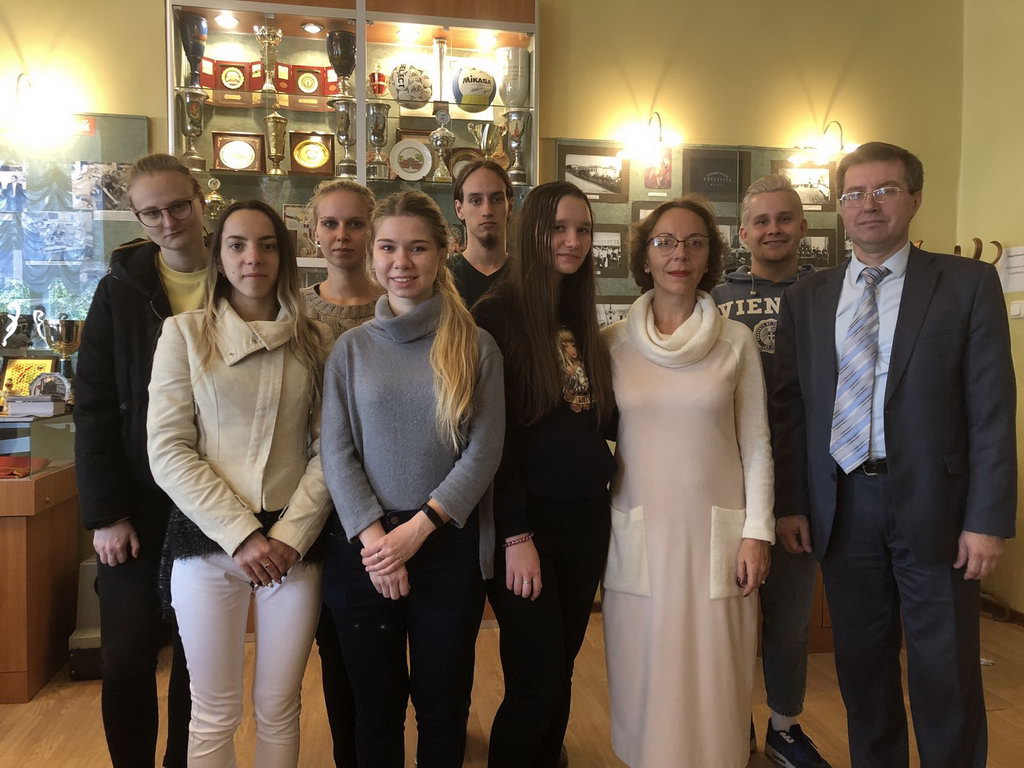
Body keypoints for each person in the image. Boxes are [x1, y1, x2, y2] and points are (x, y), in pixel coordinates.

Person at [772, 141, 1016, 768]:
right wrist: (792, 503)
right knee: (862, 667)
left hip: (938, 508)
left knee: (945, 669)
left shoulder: (966, 284)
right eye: (855, 193)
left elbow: (991, 409)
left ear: (915, 199)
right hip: (842, 504)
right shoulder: (808, 297)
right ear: (839, 207)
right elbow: (792, 410)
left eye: (885, 190)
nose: (869, 204)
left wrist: (987, 520)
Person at [320, 190, 504, 767]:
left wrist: (418, 529)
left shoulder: (474, 345)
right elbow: (336, 452)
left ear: (443, 252)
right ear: (372, 254)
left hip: (446, 548)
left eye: (418, 248)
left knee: (442, 709)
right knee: (375, 711)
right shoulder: (350, 350)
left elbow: (483, 451)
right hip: (366, 552)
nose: (401, 262)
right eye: (388, 247)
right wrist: (379, 542)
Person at [147, 200, 333, 768]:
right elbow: (168, 450)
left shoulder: (317, 339)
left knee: (279, 705)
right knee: (212, 709)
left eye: (267, 244)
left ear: (284, 255)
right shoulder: (183, 334)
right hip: (207, 541)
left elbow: (331, 451)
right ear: (219, 256)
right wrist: (242, 535)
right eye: (237, 244)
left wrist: (290, 537)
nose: (253, 257)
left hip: (292, 546)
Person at [601, 195, 773, 768]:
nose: (680, 254)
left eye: (695, 243)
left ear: (709, 257)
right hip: (641, 532)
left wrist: (758, 532)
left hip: (716, 536)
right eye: (666, 242)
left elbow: (756, 443)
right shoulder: (612, 344)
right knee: (642, 660)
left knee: (716, 667)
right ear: (645, 256)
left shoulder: (735, 341)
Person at [474, 181, 616, 768]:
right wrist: (515, 534)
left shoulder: (580, 317)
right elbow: (493, 442)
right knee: (537, 681)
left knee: (561, 669)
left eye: (583, 230)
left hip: (587, 520)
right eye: (558, 228)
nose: (573, 241)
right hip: (526, 527)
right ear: (531, 232)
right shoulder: (495, 316)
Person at [74, 152, 205, 768]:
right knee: (126, 655)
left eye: (178, 206)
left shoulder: (241, 272)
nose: (168, 222)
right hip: (136, 499)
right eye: (152, 213)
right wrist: (106, 514)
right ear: (136, 216)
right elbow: (94, 406)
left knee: (198, 657)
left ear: (201, 200)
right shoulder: (118, 290)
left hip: (215, 499)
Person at [711, 175, 830, 768]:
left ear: (803, 227)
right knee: (725, 620)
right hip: (723, 484)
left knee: (787, 621)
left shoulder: (827, 295)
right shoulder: (712, 297)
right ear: (743, 232)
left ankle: (784, 726)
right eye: (760, 220)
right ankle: (729, 724)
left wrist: (798, 497)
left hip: (798, 483)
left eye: (784, 218)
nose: (773, 229)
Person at [301, 178, 383, 768]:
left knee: (390, 658)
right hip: (315, 501)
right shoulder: (295, 310)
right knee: (337, 648)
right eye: (330, 223)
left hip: (391, 498)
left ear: (373, 231)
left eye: (355, 223)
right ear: (313, 233)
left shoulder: (397, 300)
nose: (342, 235)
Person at [448, 160, 514, 308]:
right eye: (476, 201)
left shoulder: (529, 276)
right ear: (459, 209)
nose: (487, 211)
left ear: (510, 206)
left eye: (496, 199)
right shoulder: (443, 278)